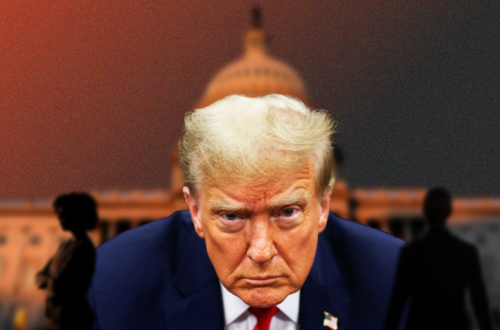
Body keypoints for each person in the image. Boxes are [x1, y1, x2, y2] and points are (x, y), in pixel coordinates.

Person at [89, 94, 426, 330]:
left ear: (323, 207)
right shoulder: (114, 287)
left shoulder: (391, 280)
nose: (262, 251)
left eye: (287, 213)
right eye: (232, 217)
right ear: (195, 211)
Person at [412, 188, 493, 330]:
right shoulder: (467, 252)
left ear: (424, 212)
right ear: (449, 212)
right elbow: (479, 301)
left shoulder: (411, 252)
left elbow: (398, 302)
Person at [37, 193, 97, 330]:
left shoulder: (84, 247)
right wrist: (50, 277)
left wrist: (49, 278)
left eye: (63, 214)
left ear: (76, 216)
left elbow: (63, 280)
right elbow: (41, 276)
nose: (59, 218)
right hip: (57, 312)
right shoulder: (64, 246)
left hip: (73, 315)